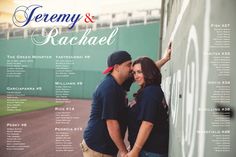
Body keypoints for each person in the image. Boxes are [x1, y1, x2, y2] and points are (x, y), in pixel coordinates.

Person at [81, 47, 171, 157]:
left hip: (106, 146)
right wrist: (124, 150)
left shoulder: (121, 80)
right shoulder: (109, 88)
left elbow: (146, 71)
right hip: (98, 148)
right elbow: (112, 124)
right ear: (117, 67)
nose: (131, 68)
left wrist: (165, 59)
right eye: (129, 64)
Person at [126, 57, 169, 157]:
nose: (136, 76)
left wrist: (135, 150)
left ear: (149, 72)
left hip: (151, 151)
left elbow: (147, 124)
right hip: (146, 149)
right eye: (134, 73)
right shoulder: (148, 89)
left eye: (139, 72)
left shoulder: (150, 92)